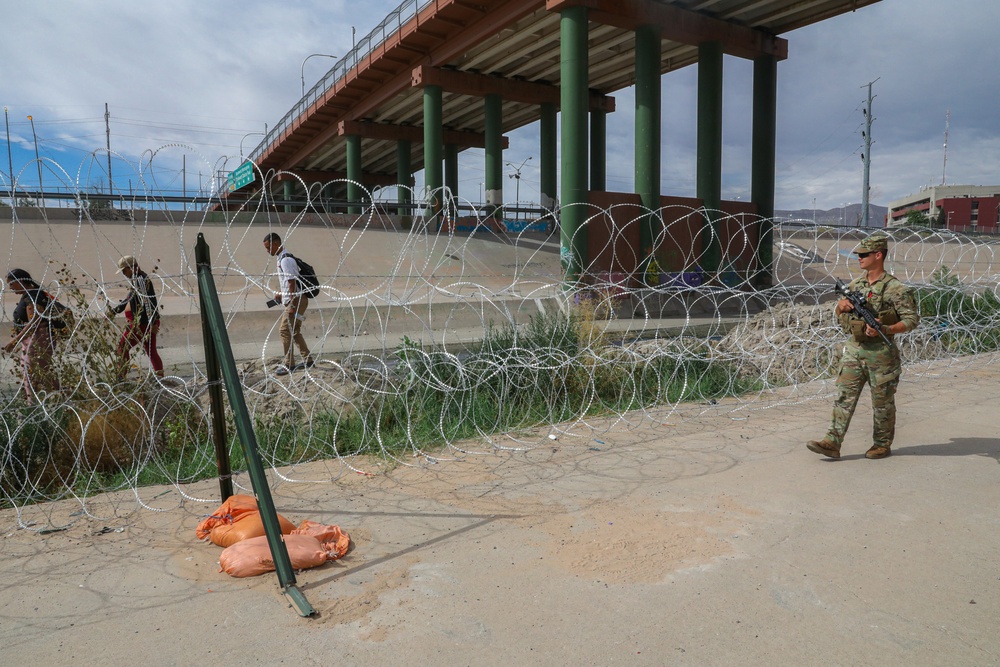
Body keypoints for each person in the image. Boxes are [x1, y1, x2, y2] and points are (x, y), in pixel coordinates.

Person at [807, 232, 920, 460]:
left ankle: (881, 444)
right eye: (858, 255)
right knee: (844, 397)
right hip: (854, 350)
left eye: (863, 254)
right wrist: (840, 307)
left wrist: (886, 328)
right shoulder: (855, 285)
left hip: (881, 355)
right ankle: (832, 441)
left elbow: (911, 320)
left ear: (878, 255)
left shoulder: (895, 288)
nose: (859, 258)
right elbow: (840, 317)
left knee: (882, 404)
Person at [2, 268, 65, 400]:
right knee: (39, 372)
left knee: (33, 373)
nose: (10, 287)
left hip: (39, 339)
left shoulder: (33, 296)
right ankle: (63, 399)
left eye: (11, 283)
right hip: (34, 339)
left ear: (20, 281)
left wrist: (15, 341)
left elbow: (34, 322)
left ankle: (34, 405)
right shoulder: (30, 295)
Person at [262, 233, 315, 375]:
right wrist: (281, 293)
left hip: (296, 301)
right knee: (295, 331)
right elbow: (289, 282)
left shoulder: (285, 260)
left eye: (268, 248)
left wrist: (291, 304)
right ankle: (308, 360)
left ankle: (289, 364)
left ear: (275, 244)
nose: (267, 251)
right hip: (298, 299)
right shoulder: (283, 258)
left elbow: (292, 283)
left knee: (284, 330)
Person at [108, 255, 163, 380]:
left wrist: (152, 323)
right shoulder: (138, 279)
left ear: (131, 268)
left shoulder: (140, 280)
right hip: (144, 322)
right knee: (151, 351)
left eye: (124, 270)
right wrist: (114, 311)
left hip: (142, 323)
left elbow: (148, 302)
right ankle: (161, 378)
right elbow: (130, 298)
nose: (123, 274)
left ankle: (121, 377)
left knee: (123, 346)